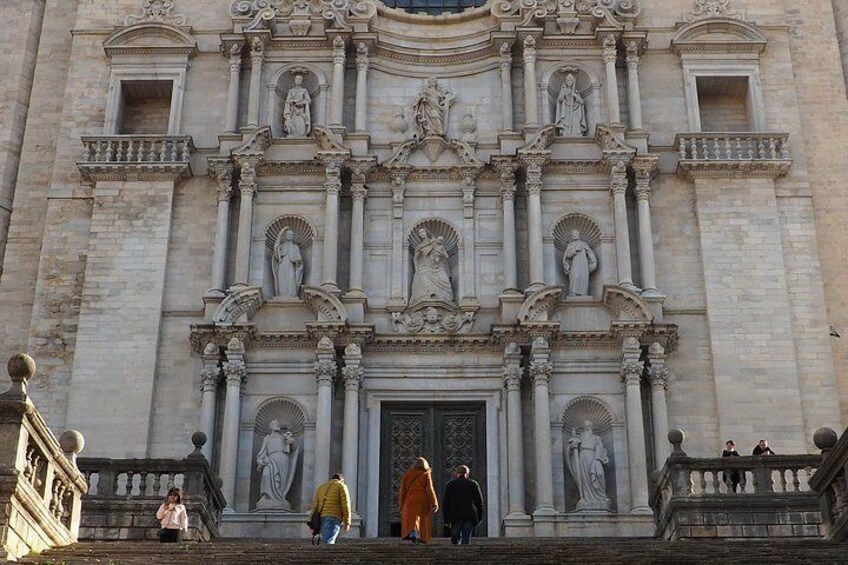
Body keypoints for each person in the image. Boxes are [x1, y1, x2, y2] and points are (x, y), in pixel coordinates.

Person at [255, 419, 298, 510]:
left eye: (278, 424)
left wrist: (291, 441)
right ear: (270, 426)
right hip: (270, 460)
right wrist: (260, 460)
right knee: (266, 475)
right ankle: (267, 497)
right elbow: (262, 451)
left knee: (281, 480)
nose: (277, 425)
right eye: (275, 424)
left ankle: (280, 496)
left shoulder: (283, 436)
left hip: (283, 459)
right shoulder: (267, 438)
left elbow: (293, 448)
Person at [399, 457, 439, 543]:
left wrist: (401, 504)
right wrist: (434, 503)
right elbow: (430, 489)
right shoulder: (425, 474)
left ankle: (413, 533)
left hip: (409, 499)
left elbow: (403, 490)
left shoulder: (407, 474)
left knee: (412, 519)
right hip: (422, 499)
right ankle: (422, 537)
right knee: (423, 519)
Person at [410, 227, 454, 305]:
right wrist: (417, 269)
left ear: (427, 232)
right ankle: (429, 293)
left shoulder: (435, 242)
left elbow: (444, 255)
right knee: (423, 273)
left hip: (438, 267)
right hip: (425, 266)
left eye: (423, 232)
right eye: (420, 233)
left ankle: (446, 297)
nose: (422, 234)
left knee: (444, 277)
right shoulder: (420, 246)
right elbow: (416, 258)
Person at [442, 465, 484, 545]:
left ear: (456, 474)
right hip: (469, 515)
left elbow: (445, 503)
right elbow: (479, 502)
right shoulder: (473, 484)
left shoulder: (450, 485)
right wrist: (479, 517)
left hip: (455, 515)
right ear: (467, 474)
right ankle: (464, 551)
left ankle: (456, 549)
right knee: (466, 538)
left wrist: (446, 519)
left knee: (455, 536)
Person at [309, 473, 351, 545]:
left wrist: (311, 522)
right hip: (334, 517)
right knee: (328, 542)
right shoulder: (341, 486)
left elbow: (314, 506)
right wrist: (347, 522)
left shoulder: (321, 488)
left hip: (321, 518)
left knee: (326, 539)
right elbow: (346, 504)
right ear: (341, 480)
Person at [562, 229, 597, 297]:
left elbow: (590, 252)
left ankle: (584, 293)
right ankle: (573, 292)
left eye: (576, 234)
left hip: (584, 264)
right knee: (575, 277)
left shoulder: (583, 244)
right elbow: (567, 256)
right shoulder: (570, 245)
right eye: (573, 234)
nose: (574, 235)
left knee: (583, 277)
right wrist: (575, 250)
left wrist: (593, 261)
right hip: (575, 264)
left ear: (578, 234)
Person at [273, 227, 304, 298]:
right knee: (282, 279)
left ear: (293, 236)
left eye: (291, 235)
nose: (289, 236)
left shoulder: (295, 247)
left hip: (291, 266)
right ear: (285, 235)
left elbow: (299, 257)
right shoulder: (281, 246)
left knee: (291, 279)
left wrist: (298, 260)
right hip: (282, 265)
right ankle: (282, 294)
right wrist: (276, 248)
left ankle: (292, 294)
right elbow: (276, 255)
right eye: (287, 234)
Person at [555, 73, 587, 137]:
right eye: (568, 81)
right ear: (566, 82)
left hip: (575, 110)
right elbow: (559, 100)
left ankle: (577, 133)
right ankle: (566, 132)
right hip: (566, 110)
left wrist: (575, 95)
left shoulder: (576, 92)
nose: (569, 82)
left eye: (571, 81)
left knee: (576, 122)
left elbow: (582, 102)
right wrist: (564, 93)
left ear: (573, 82)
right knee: (566, 123)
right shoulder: (564, 90)